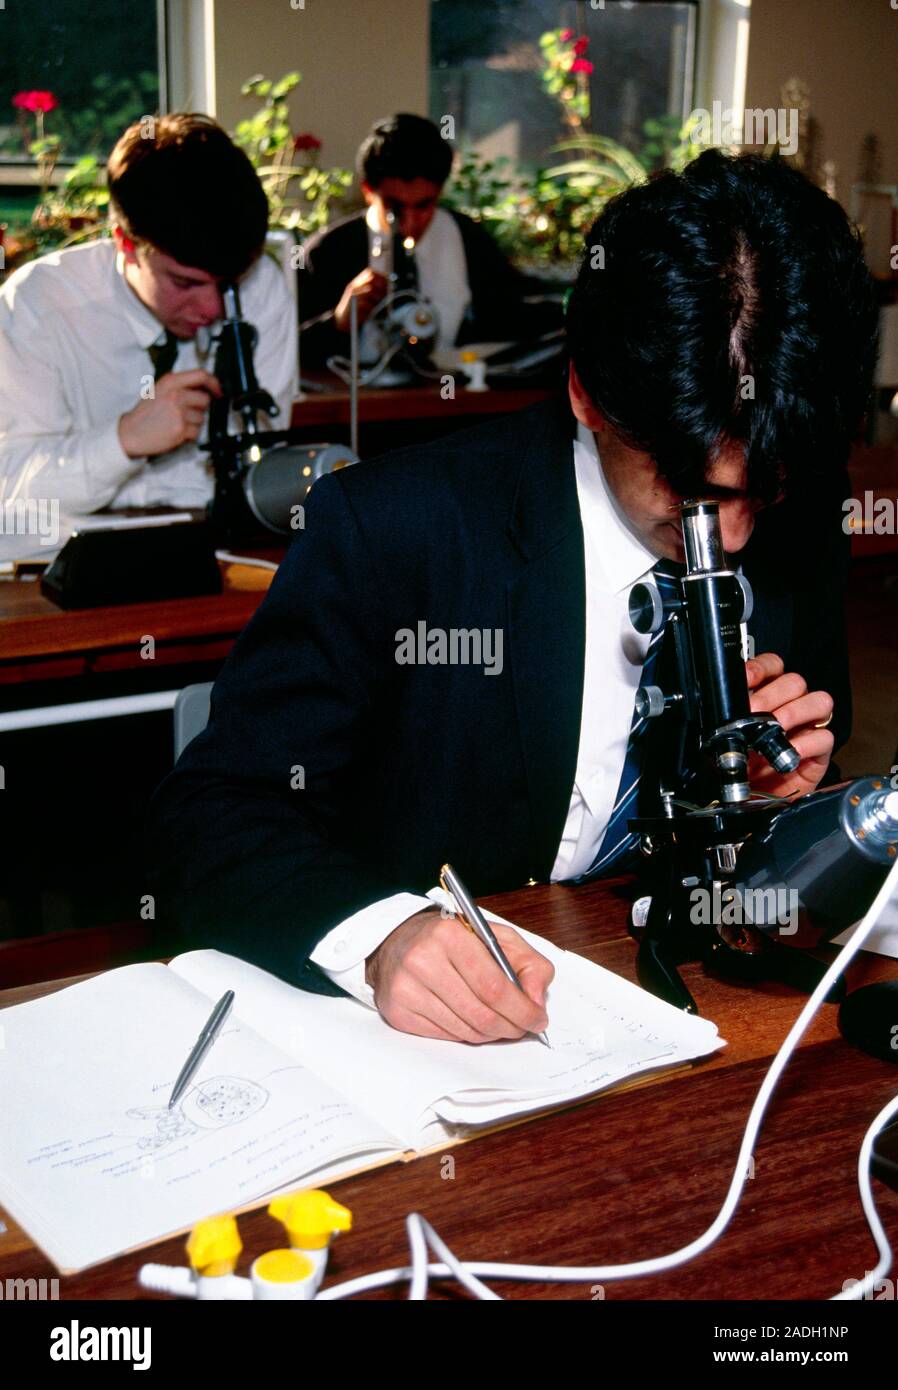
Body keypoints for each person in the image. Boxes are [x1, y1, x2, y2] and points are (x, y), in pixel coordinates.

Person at [147, 149, 877, 1046]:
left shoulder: (800, 524)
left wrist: (784, 817)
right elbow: (211, 813)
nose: (727, 540)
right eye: (692, 490)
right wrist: (380, 936)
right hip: (435, 1049)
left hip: (677, 1019)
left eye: (763, 492)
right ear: (586, 392)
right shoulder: (399, 530)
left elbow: (757, 873)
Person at [0, 113, 297, 560]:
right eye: (185, 283)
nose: (214, 310)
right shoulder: (37, 306)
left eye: (229, 282)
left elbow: (258, 476)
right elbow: (13, 503)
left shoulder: (263, 288)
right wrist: (122, 441)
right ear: (123, 241)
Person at [297, 112, 560, 368]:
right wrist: (338, 322)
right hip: (357, 407)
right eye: (394, 207)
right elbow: (285, 351)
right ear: (368, 192)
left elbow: (509, 313)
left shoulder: (466, 238)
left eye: (424, 206)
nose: (409, 223)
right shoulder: (328, 252)